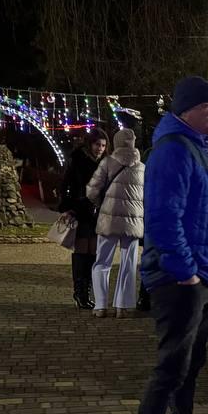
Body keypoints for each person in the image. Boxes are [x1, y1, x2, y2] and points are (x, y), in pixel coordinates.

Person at [129, 76, 208, 414]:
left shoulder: (201, 151)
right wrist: (185, 270)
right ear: (186, 109)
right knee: (171, 367)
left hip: (204, 276)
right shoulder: (172, 150)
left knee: (190, 368)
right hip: (181, 280)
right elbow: (163, 218)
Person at [86, 128, 145, 318]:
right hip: (133, 221)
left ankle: (101, 305)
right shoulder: (142, 167)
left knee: (102, 262)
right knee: (129, 264)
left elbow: (92, 191)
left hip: (109, 219)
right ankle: (123, 306)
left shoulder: (108, 162)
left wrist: (101, 204)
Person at [58, 128, 107, 308]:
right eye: (97, 144)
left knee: (93, 253)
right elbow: (66, 184)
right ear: (89, 144)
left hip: (99, 213)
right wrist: (68, 207)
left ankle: (86, 291)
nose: (99, 149)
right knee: (81, 251)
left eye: (103, 145)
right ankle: (80, 292)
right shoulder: (78, 159)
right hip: (81, 210)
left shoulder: (107, 163)